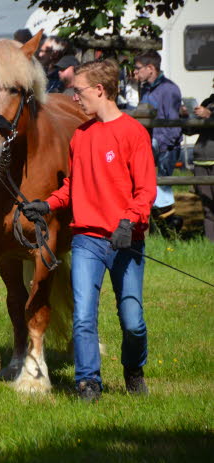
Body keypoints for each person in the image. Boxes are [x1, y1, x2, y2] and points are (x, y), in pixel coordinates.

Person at [21, 59, 156, 402]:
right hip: (86, 240)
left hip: (126, 240)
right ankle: (88, 382)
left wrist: (129, 221)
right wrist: (48, 204)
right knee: (83, 316)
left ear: (99, 90)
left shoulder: (133, 133)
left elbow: (146, 191)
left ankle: (133, 368)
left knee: (133, 321)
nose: (74, 97)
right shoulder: (81, 136)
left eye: (78, 91)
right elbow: (72, 187)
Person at [134, 50, 184, 234]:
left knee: (161, 189)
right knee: (151, 189)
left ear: (150, 68)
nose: (135, 72)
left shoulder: (169, 89)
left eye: (138, 68)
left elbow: (173, 123)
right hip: (149, 147)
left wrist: (158, 146)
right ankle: (164, 230)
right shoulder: (147, 88)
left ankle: (172, 227)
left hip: (164, 148)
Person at [182, 79, 214, 242]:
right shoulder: (208, 102)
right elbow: (191, 130)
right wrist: (186, 117)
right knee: (208, 208)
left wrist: (210, 116)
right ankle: (210, 245)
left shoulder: (209, 109)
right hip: (202, 160)